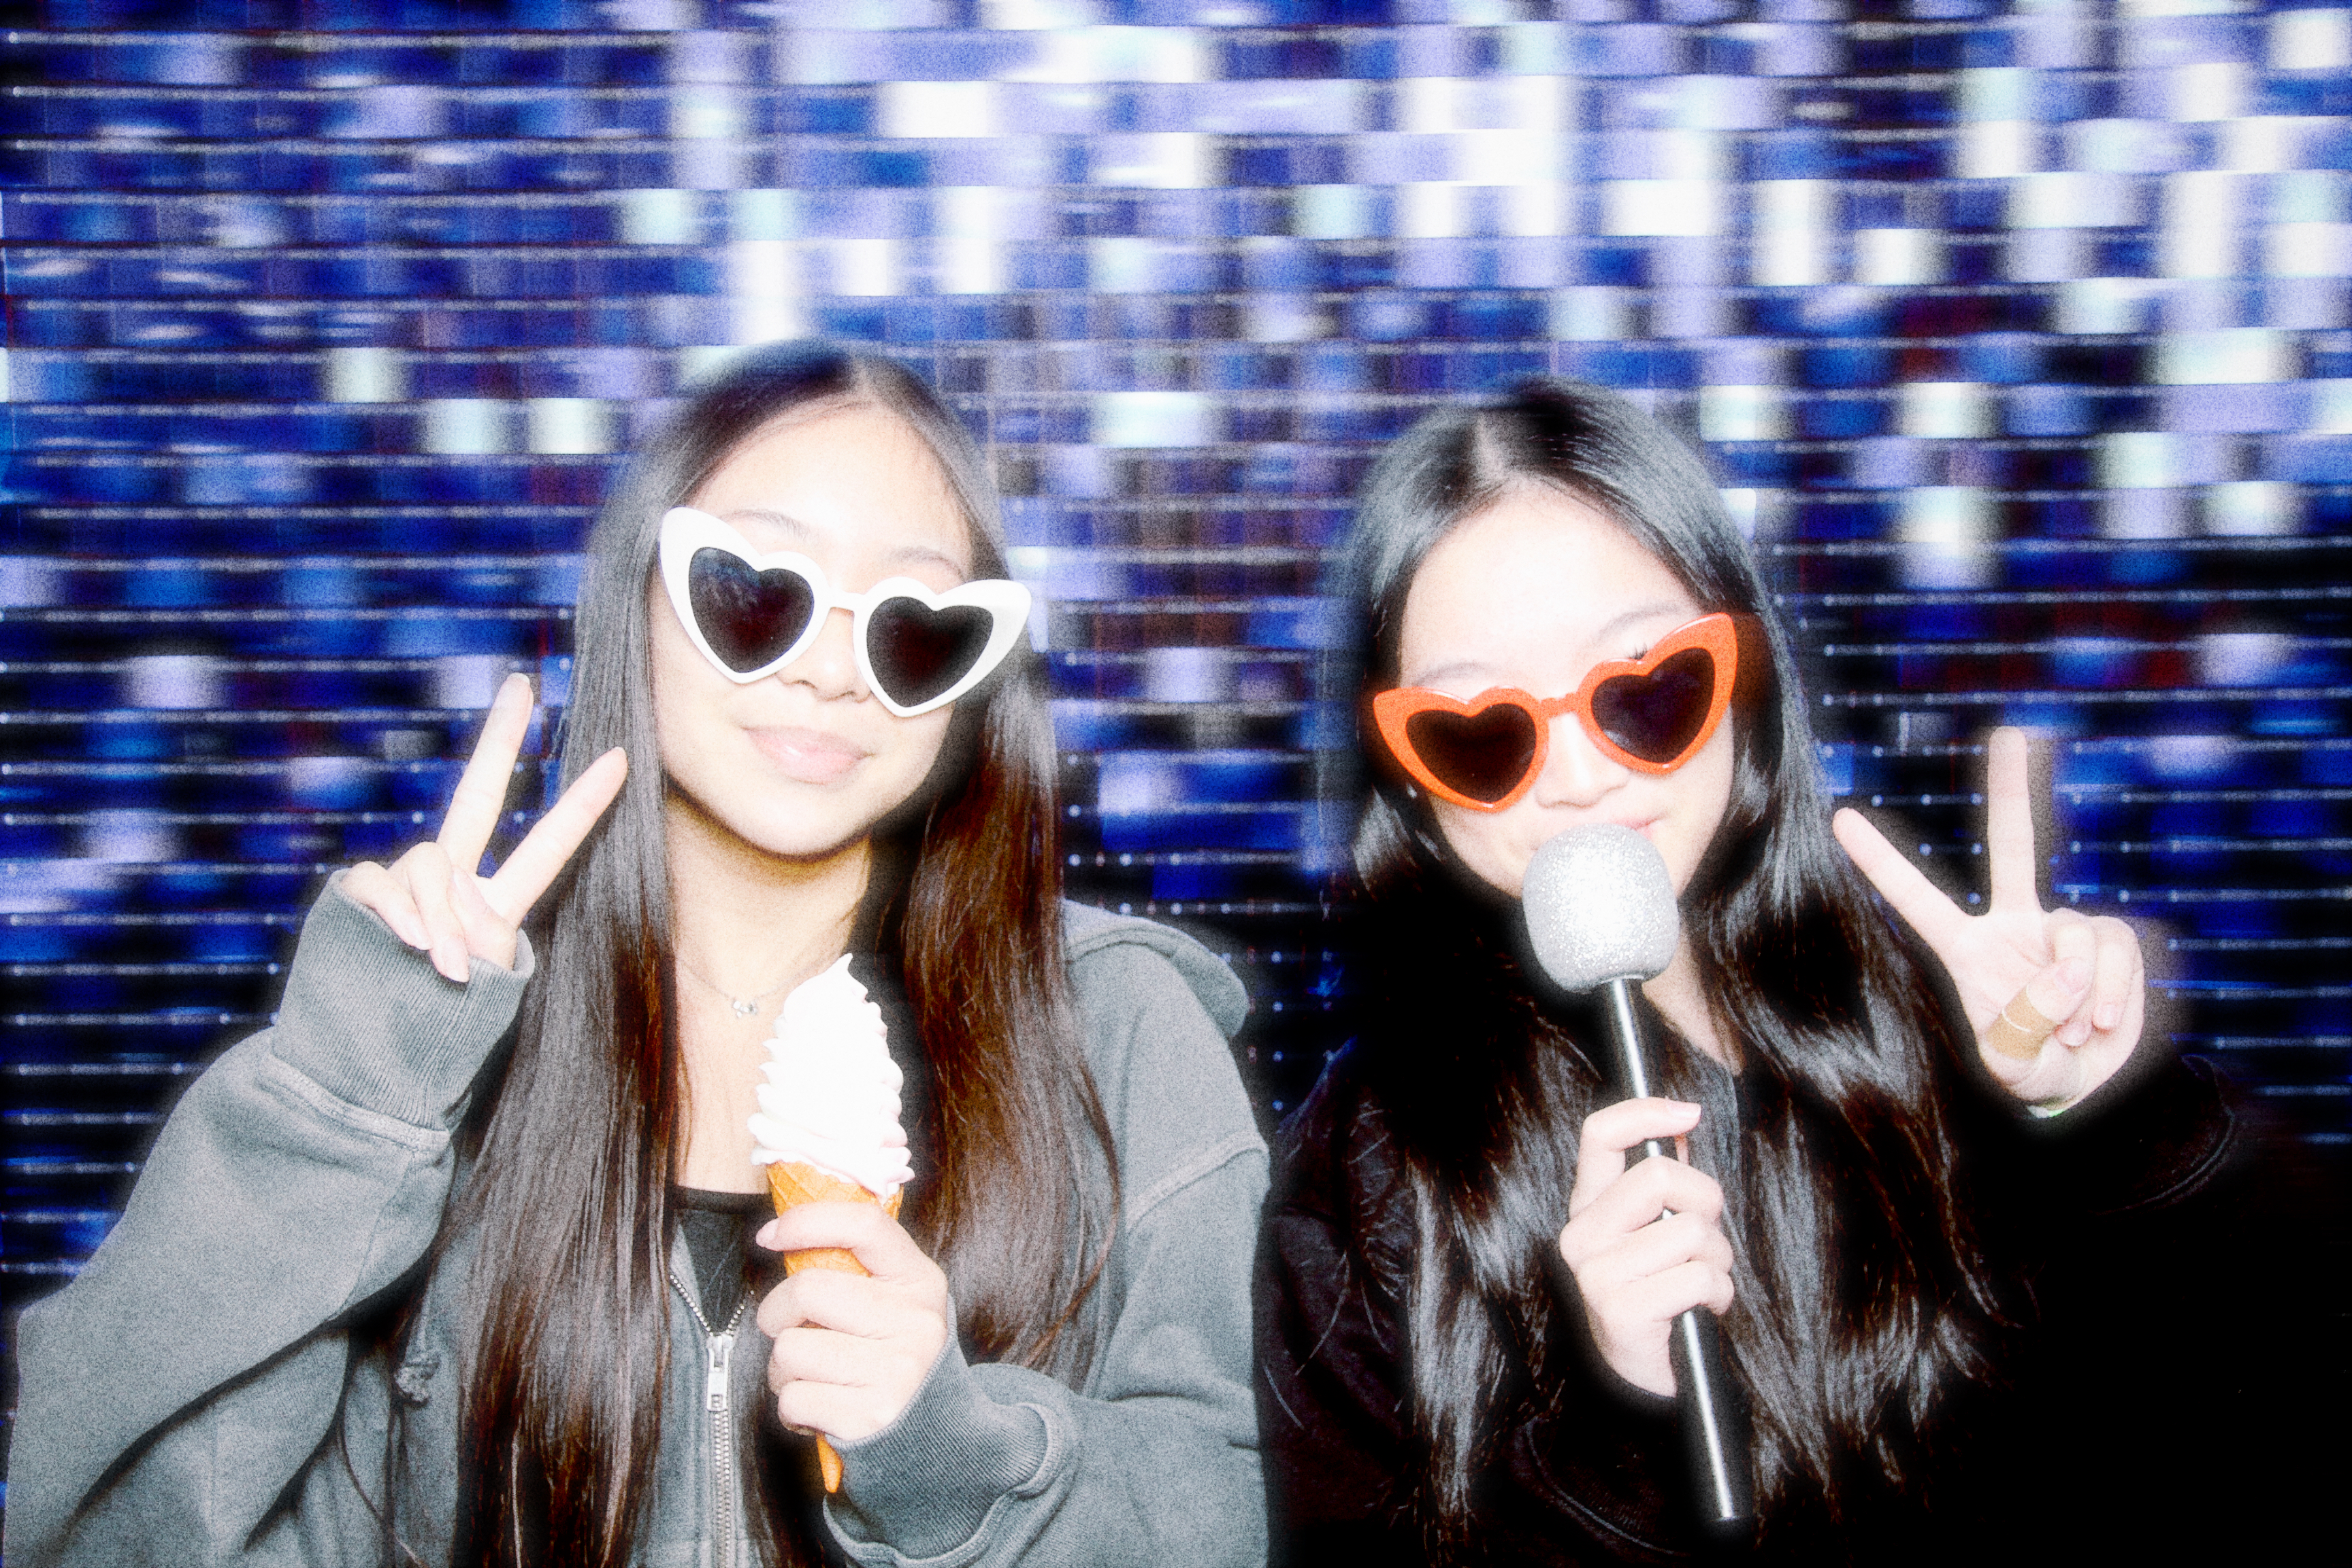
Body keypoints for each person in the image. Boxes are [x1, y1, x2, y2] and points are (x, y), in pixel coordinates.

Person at [12, 343, 1269, 1568]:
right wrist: (350, 1097)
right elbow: (103, 1532)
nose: (832, 670)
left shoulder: (1116, 1033)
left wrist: (956, 1455)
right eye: (757, 592)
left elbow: (1221, 1517)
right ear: (639, 597)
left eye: (914, 626)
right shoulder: (430, 1054)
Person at [1256, 378, 2296, 1563]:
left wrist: (2107, 1115)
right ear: (1409, 778)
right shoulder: (1362, 1179)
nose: (1581, 777)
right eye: (1481, 734)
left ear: (1741, 677)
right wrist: (1621, 1419)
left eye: (1646, 690)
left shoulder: (1949, 1014)